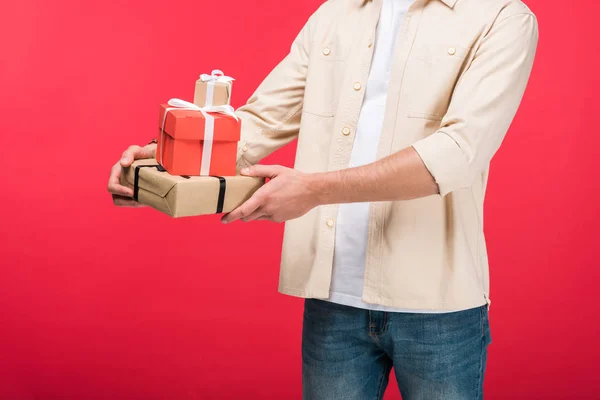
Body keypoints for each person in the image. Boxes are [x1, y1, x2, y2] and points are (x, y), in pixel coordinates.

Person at [108, 0, 538, 398]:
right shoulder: (336, 13)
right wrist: (163, 166)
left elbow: (456, 154)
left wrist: (314, 190)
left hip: (438, 306)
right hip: (332, 297)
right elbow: (261, 120)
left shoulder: (501, 16)